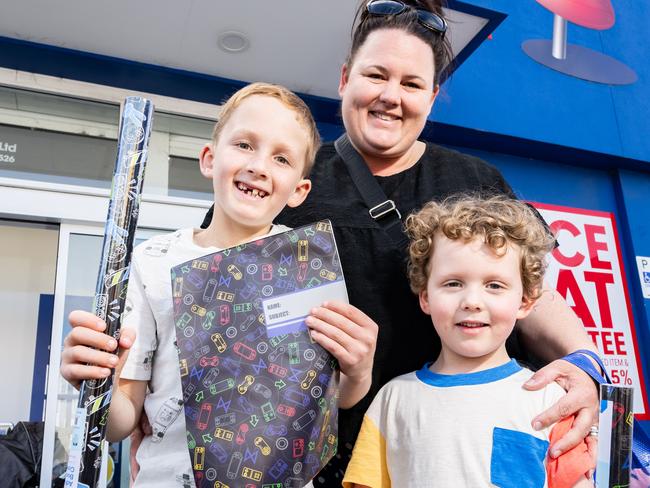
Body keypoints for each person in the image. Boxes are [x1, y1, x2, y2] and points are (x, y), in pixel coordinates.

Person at [255, 1, 600, 484]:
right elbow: (219, 292)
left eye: (412, 84)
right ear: (344, 79)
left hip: (455, 447)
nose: (390, 96)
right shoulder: (292, 179)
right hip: (308, 459)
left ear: (432, 96)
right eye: (375, 75)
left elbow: (529, 292)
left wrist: (584, 362)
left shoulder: (473, 179)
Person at [60, 82, 378, 486]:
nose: (259, 165)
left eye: (281, 157)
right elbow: (120, 423)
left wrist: (359, 373)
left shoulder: (307, 265)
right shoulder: (154, 262)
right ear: (210, 159)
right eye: (244, 145)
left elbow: (328, 401)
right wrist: (97, 385)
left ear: (300, 190)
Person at [342, 195, 596, 488]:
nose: (472, 301)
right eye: (453, 283)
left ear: (525, 301)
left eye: (494, 285)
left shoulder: (549, 401)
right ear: (425, 296)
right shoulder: (392, 400)